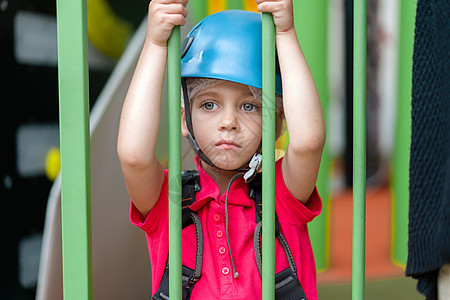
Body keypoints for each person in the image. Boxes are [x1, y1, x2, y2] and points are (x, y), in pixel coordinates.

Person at [117, 0, 326, 299]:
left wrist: (286, 33)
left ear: (277, 124)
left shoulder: (281, 194)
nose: (229, 122)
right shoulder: (170, 201)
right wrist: (155, 43)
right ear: (184, 120)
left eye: (250, 105)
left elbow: (308, 142)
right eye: (209, 104)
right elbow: (134, 156)